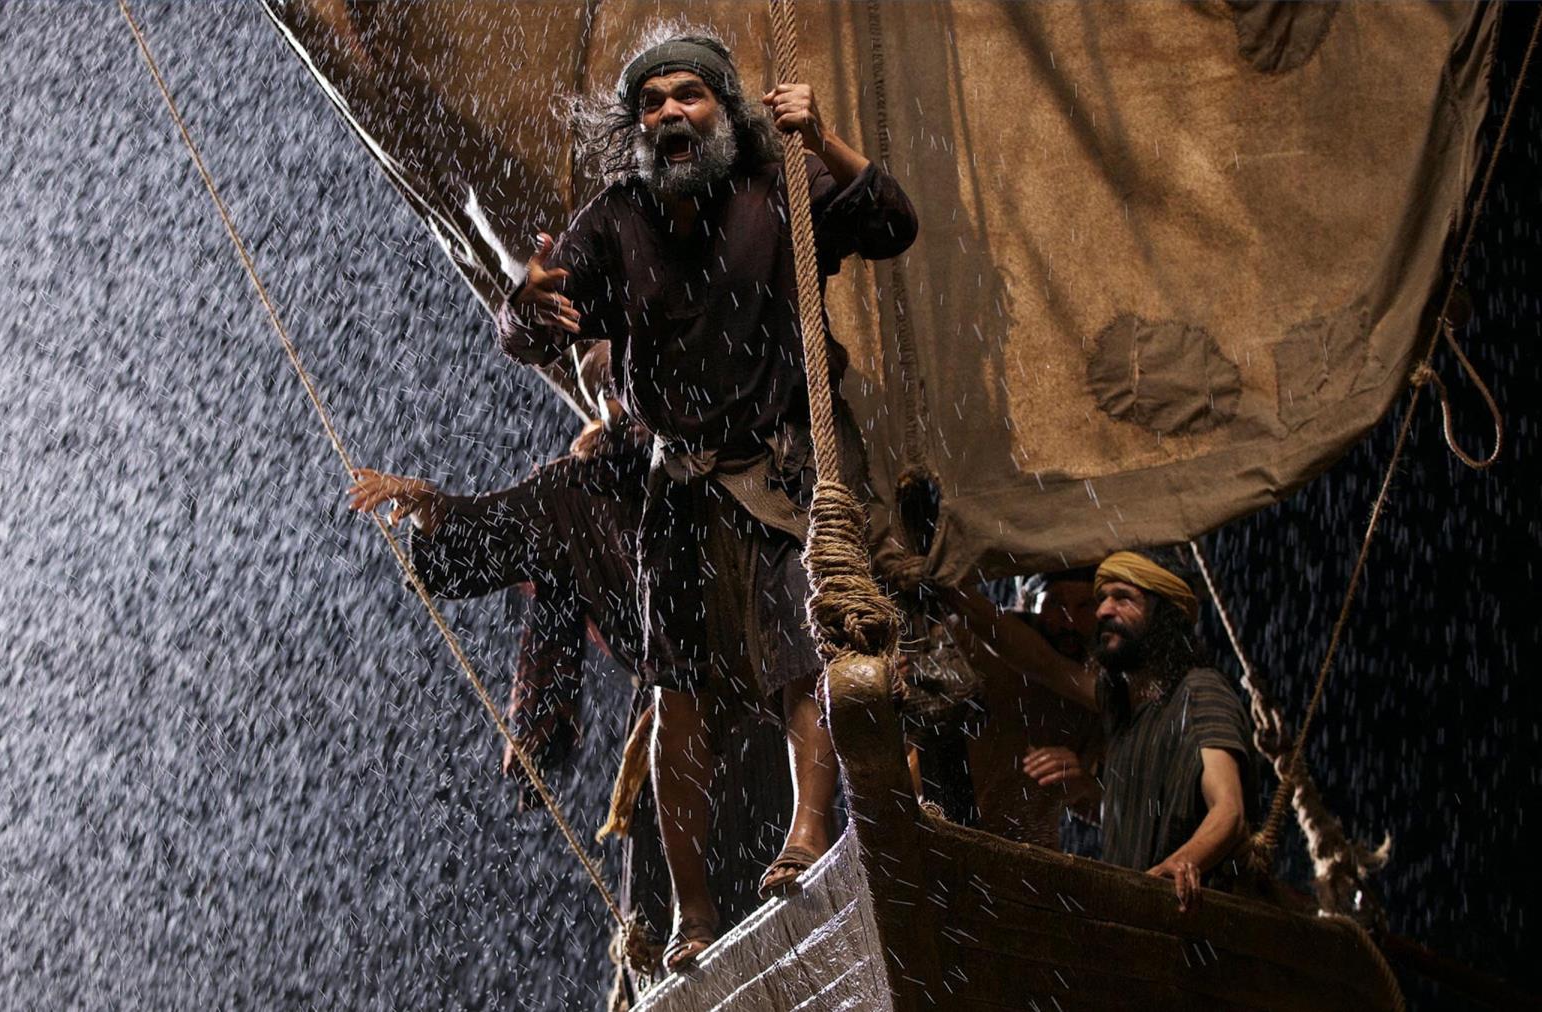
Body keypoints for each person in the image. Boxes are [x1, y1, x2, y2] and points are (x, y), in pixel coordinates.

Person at [498, 28, 918, 971]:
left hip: (779, 469)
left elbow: (894, 223)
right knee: (674, 691)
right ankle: (692, 914)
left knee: (804, 647)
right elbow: (526, 328)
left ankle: (809, 833)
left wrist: (825, 138)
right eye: (650, 103)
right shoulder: (615, 217)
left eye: (687, 95)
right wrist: (528, 306)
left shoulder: (780, 186)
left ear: (725, 112)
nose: (667, 114)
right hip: (681, 490)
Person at [345, 343, 650, 801]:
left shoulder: (713, 418)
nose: (627, 392)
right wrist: (427, 507)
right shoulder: (572, 490)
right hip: (684, 677)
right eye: (611, 385)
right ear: (603, 407)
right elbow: (487, 535)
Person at [995, 548, 1257, 911]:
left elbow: (1229, 809)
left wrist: (1180, 864)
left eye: (1123, 598)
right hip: (1138, 913)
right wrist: (954, 595)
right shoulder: (1121, 707)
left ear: (1163, 614)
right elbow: (1042, 663)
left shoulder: (1199, 693)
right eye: (1102, 598)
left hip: (1188, 915)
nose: (1103, 611)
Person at [904, 570, 1104, 849]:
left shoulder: (1101, 689)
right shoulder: (973, 641)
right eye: (1056, 603)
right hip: (935, 830)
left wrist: (1083, 783)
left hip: (1030, 853)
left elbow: (1106, 808)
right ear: (1032, 602)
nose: (1069, 620)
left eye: (1084, 606)